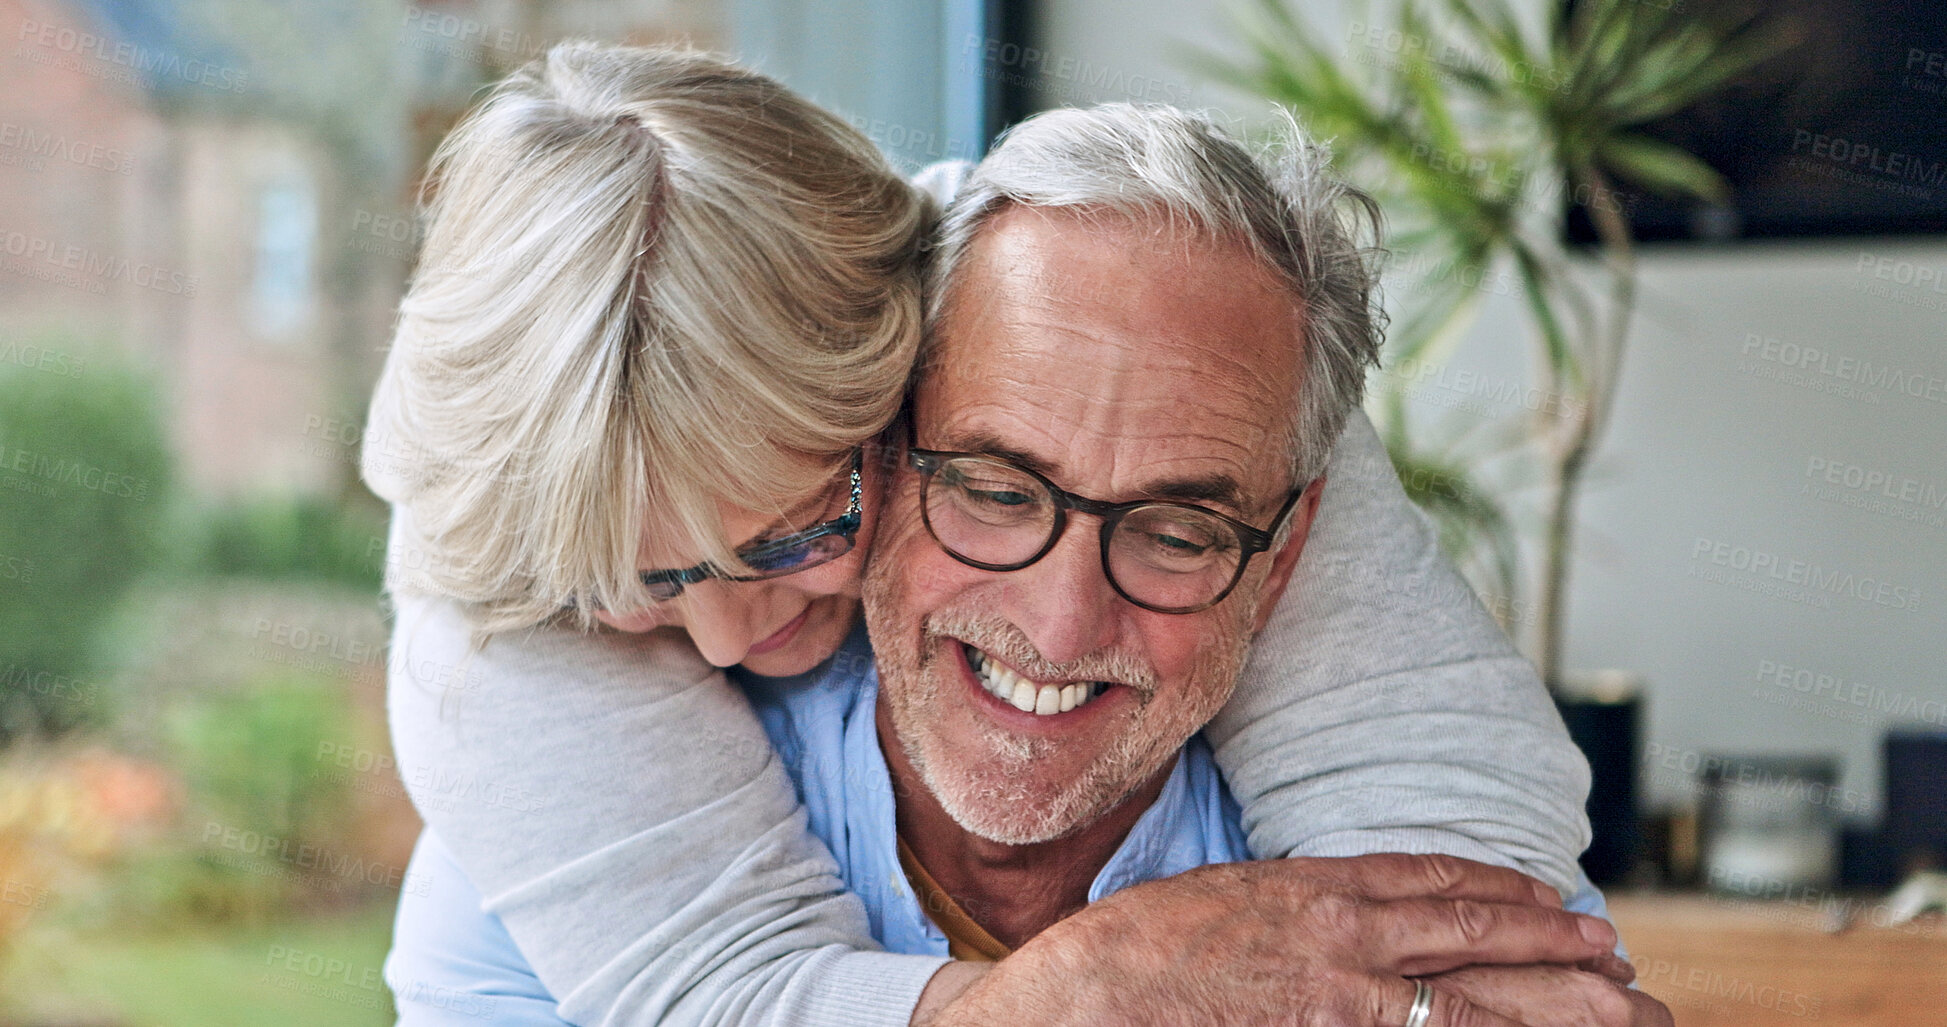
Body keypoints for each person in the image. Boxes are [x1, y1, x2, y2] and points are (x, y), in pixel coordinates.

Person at [366, 43, 1599, 1027]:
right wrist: (1094, 992)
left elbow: (1498, 924)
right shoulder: (531, 808)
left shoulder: (1043, 301)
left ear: (897, 386)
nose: (729, 634)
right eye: (636, 580)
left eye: (794, 533)